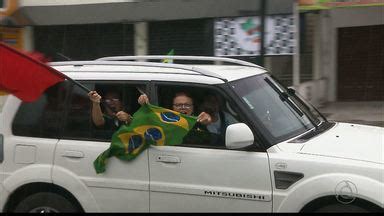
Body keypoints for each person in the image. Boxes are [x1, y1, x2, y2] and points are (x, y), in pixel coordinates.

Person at [138, 91, 213, 144]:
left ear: (193, 107)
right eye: (178, 105)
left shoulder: (199, 122)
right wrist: (145, 108)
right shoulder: (164, 121)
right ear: (172, 107)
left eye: (187, 105)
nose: (183, 108)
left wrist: (208, 122)